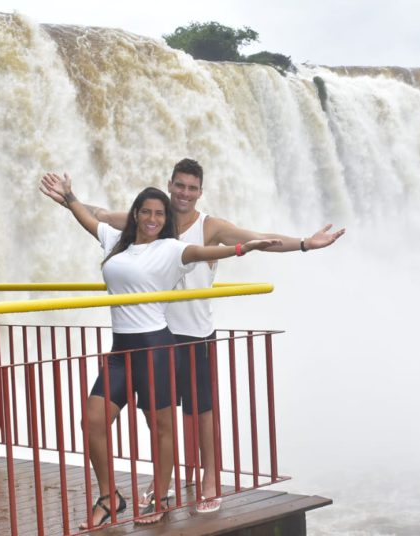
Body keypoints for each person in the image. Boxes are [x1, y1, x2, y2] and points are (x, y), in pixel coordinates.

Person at [40, 159, 345, 513]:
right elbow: (101, 216)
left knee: (199, 409)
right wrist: (68, 198)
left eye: (192, 188)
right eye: (180, 186)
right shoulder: (151, 218)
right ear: (169, 185)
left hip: (194, 331)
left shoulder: (207, 226)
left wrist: (306, 243)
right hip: (155, 331)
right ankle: (159, 485)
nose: (184, 193)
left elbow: (256, 239)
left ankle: (210, 477)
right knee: (163, 417)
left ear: (200, 192)